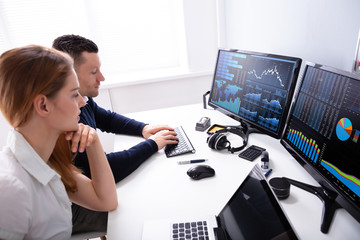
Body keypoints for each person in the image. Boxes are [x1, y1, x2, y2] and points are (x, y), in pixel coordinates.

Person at [0, 45, 117, 239]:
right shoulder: (11, 189)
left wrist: (93, 141)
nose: (82, 102)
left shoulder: (44, 160)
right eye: (74, 94)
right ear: (43, 105)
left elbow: (106, 202)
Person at [52, 34, 178, 183]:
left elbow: (107, 119)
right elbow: (108, 169)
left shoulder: (83, 100)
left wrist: (143, 128)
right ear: (70, 75)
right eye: (94, 72)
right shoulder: (67, 120)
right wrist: (152, 144)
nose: (102, 78)